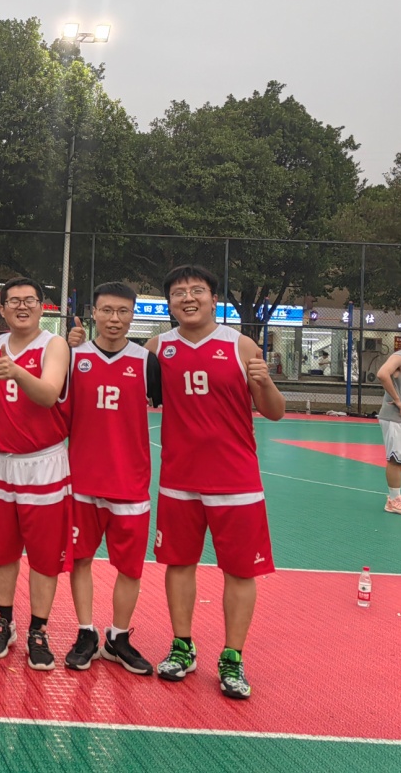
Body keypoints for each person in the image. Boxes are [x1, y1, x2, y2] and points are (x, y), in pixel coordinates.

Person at [148, 265, 285, 700]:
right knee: (179, 564)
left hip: (236, 480)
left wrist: (264, 383)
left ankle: (232, 657)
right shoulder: (157, 349)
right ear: (170, 304)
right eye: (178, 293)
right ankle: (182, 647)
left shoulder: (240, 345)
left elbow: (275, 411)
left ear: (212, 298)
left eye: (197, 290)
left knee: (241, 570)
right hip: (179, 479)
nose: (188, 298)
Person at [0, 277, 71, 670]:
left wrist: (17, 372)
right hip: (0, 461)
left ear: (42, 307)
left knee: (44, 555)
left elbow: (48, 394)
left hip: (44, 462)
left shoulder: (54, 345)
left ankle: (39, 629)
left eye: (30, 300)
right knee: (2, 550)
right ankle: (4, 621)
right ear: (2, 309)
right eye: (13, 301)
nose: (22, 306)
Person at [62, 284, 160, 674]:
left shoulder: (147, 362)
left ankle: (118, 637)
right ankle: (86, 633)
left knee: (131, 568)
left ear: (133, 314)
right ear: (93, 312)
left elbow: (181, 410)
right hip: (82, 480)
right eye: (106, 310)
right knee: (80, 559)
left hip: (129, 483)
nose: (114, 319)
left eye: (122, 311)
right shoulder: (73, 357)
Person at [374, 349, 401, 514]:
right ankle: (393, 500)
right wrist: (398, 400)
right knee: (395, 459)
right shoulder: (400, 357)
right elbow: (382, 374)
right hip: (394, 417)